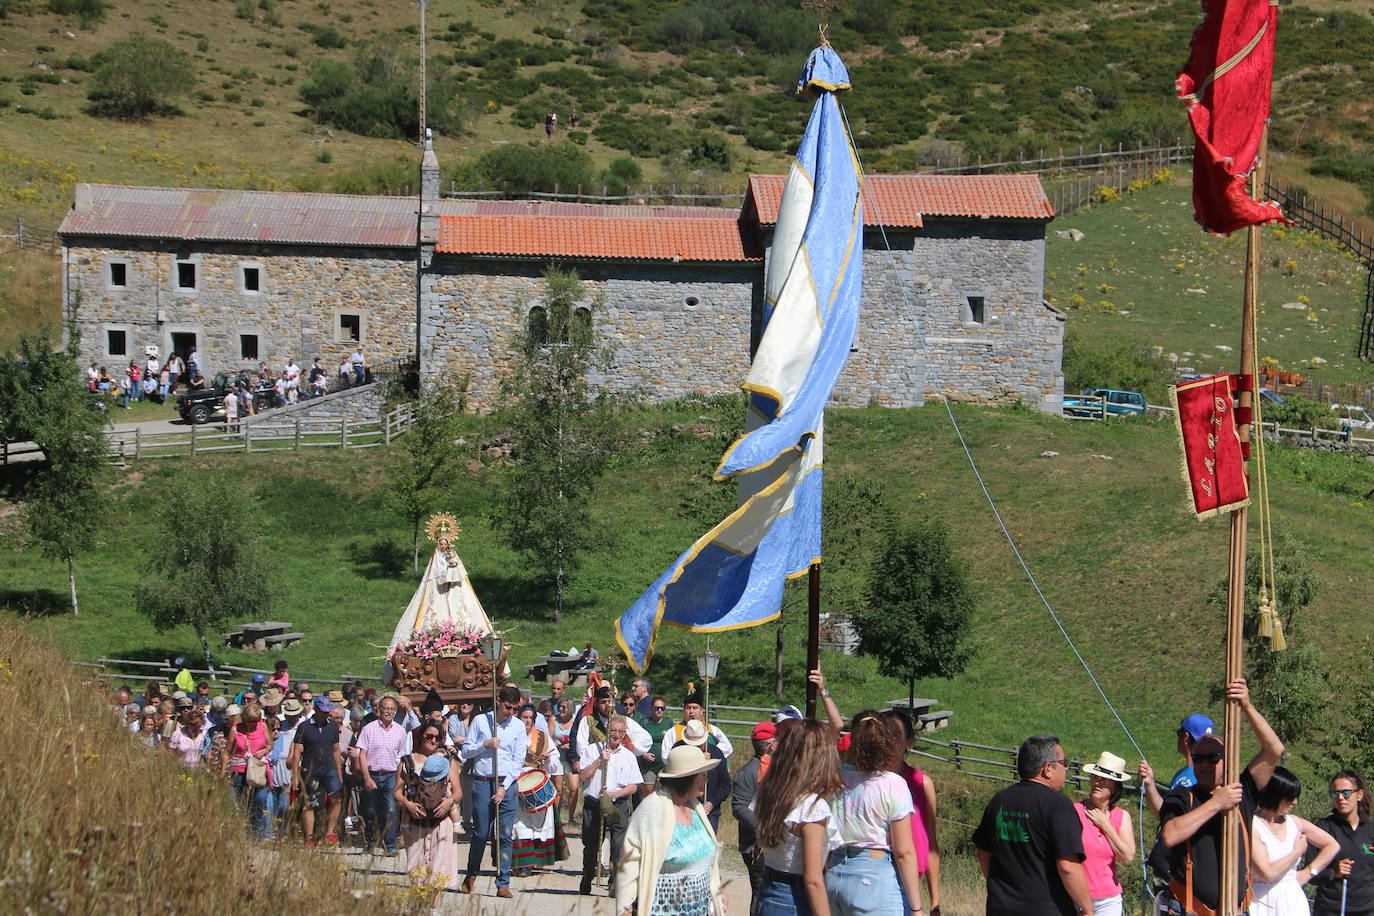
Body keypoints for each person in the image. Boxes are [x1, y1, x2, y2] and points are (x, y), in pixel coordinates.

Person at [1159, 678, 1285, 916]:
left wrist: (1246, 706)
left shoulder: (1242, 790)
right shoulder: (1183, 795)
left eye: (1212, 758)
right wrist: (1217, 803)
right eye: (1199, 759)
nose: (1205, 764)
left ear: (1227, 759)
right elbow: (1170, 834)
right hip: (1191, 910)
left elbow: (1274, 750)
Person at [974, 732, 1091, 916]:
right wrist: (1087, 909)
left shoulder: (999, 800)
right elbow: (1068, 866)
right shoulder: (1059, 806)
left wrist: (1000, 892)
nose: (1066, 769)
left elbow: (982, 854)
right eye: (1064, 763)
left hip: (1000, 908)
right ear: (1047, 769)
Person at [829, 712, 924, 916]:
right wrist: (916, 908)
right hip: (873, 873)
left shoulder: (835, 777)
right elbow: (904, 851)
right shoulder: (893, 784)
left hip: (834, 871)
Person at [616, 744, 726, 916]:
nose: (706, 780)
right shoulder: (651, 811)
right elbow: (628, 867)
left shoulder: (695, 809)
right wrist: (625, 910)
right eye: (702, 775)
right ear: (687, 778)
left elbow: (708, 860)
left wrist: (717, 892)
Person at [752, 718, 841, 916]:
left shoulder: (771, 793)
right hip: (795, 897)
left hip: (769, 889)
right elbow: (813, 880)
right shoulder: (811, 809)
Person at [459, 685, 527, 898]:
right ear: (499, 701)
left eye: (515, 709)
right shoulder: (481, 721)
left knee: (505, 833)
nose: (511, 712)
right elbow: (466, 751)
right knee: (481, 833)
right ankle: (471, 873)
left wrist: (503, 787)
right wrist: (485, 744)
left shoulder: (517, 726)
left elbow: (518, 760)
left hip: (506, 784)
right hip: (482, 781)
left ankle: (503, 881)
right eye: (508, 707)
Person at [1251, 767, 1339, 916]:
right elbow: (1267, 873)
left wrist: (1309, 872)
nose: (1295, 802)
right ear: (1275, 795)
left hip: (1293, 899)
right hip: (1262, 900)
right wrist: (1297, 852)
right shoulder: (1253, 826)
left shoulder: (1295, 823)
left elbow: (1332, 845)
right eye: (1289, 798)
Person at [880, 707, 942, 915]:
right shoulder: (870, 781)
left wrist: (935, 902)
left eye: (896, 735)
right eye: (884, 735)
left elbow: (931, 843)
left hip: (909, 882)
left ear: (909, 741)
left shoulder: (922, 784)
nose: (889, 741)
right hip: (879, 879)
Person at [578, 712, 642, 896]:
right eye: (613, 730)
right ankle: (587, 877)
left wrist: (615, 793)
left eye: (620, 732)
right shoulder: (592, 750)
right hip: (594, 803)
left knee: (618, 844)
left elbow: (633, 787)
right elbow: (583, 776)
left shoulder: (629, 756)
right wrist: (599, 760)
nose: (616, 735)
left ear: (624, 734)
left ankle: (615, 882)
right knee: (590, 845)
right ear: (607, 731)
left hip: (617, 803)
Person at [395, 721, 462, 894]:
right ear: (421, 735)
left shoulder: (448, 761)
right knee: (417, 873)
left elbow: (458, 792)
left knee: (438, 872)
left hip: (441, 822)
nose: (432, 740)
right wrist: (409, 805)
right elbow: (396, 792)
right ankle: (419, 907)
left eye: (436, 738)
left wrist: (449, 802)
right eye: (429, 736)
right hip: (416, 822)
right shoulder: (407, 761)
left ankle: (433, 909)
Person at [1074, 751, 1136, 916]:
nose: (1097, 783)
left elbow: (1128, 856)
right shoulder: (1075, 811)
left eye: (1104, 780)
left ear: (1115, 786)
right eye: (1095, 777)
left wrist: (1106, 825)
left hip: (1108, 900)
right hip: (1077, 896)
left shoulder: (1121, 816)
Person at [511, 704, 569, 876]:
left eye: (530, 718)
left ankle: (536, 860)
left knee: (538, 823)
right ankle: (521, 864)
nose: (527, 721)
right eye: (524, 717)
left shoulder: (543, 738)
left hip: (537, 782)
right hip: (516, 781)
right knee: (519, 823)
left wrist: (547, 759)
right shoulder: (512, 735)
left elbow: (555, 764)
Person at [1312, 770, 1374, 916]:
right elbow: (1310, 874)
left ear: (1359, 794)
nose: (1340, 798)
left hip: (1367, 910)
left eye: (1346, 793)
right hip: (1332, 909)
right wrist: (1334, 872)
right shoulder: (1322, 829)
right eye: (1335, 793)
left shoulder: (1371, 830)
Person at [356, 695, 407, 855]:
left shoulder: (400, 731)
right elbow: (362, 754)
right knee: (370, 810)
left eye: (392, 709)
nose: (389, 711)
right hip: (372, 773)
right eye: (386, 708)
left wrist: (400, 780)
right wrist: (366, 777)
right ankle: (370, 842)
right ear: (379, 709)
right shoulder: (369, 729)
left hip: (391, 775)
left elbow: (402, 756)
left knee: (391, 809)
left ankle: (389, 844)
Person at [292, 697, 345, 847]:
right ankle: (309, 836)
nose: (324, 714)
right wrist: (295, 776)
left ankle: (329, 832)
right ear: (316, 709)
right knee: (311, 803)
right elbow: (297, 752)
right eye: (322, 711)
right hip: (311, 770)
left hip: (329, 768)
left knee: (337, 798)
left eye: (326, 712)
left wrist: (339, 772)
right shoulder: (304, 727)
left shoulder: (333, 726)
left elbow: (336, 750)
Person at [1141, 714, 1216, 816]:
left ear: (1185, 737)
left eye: (1178, 733)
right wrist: (1150, 784)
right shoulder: (1183, 774)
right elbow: (1163, 813)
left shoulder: (1203, 777)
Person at [673, 720, 729, 832]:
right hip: (682, 808)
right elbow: (674, 777)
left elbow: (725, 785)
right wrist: (698, 760)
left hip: (709, 811)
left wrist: (712, 803)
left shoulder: (716, 753)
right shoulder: (677, 750)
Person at [660, 686, 733, 759]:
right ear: (683, 710)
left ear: (701, 710)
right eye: (688, 708)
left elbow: (728, 748)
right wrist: (696, 757)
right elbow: (666, 756)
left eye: (695, 708)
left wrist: (712, 753)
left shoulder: (712, 730)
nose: (691, 712)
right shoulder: (673, 732)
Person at [637, 695, 675, 800]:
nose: (659, 710)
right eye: (656, 708)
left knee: (664, 794)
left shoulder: (668, 723)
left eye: (662, 708)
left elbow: (673, 741)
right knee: (647, 794)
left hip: (664, 765)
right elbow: (637, 742)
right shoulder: (645, 723)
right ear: (651, 708)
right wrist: (644, 754)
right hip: (648, 765)